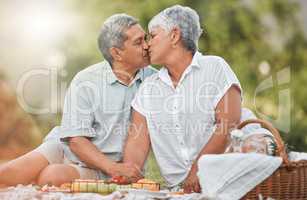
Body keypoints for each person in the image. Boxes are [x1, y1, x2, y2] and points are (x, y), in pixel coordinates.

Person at [0, 13, 155, 187]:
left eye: (146, 39)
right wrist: (112, 168)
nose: (147, 46)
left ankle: (40, 178)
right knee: (8, 173)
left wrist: (118, 169)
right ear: (116, 53)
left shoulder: (154, 81)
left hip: (103, 168)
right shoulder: (86, 80)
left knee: (51, 177)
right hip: (68, 147)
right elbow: (75, 140)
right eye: (138, 42)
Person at [121, 5, 244, 193]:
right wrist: (129, 174)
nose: (146, 45)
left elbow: (228, 125)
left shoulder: (215, 68)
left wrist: (197, 170)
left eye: (152, 36)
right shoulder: (148, 88)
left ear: (174, 35)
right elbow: (137, 141)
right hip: (177, 192)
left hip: (225, 183)